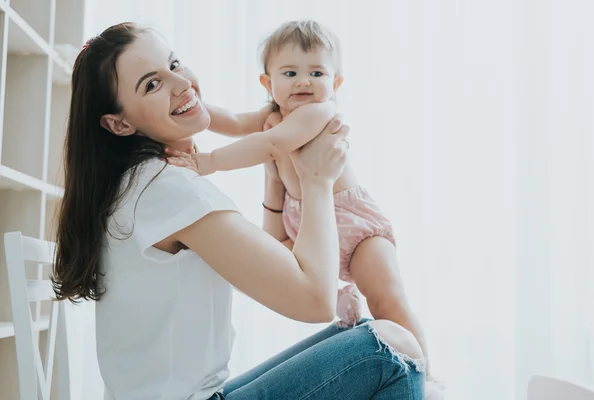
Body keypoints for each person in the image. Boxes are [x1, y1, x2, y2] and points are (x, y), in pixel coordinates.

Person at [52, 22, 425, 399]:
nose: (181, 84)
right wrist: (317, 181)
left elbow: (278, 263)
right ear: (119, 123)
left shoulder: (141, 184)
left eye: (175, 64)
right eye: (152, 84)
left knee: (357, 330)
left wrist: (274, 178)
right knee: (396, 347)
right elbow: (315, 300)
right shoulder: (167, 189)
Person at [168, 19, 433, 379]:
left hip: (356, 227)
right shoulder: (271, 114)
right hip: (305, 221)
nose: (304, 82)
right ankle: (343, 294)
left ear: (336, 83)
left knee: (388, 300)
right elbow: (230, 120)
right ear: (268, 82)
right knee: (287, 268)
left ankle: (425, 375)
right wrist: (191, 107)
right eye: (290, 73)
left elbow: (272, 144)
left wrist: (208, 162)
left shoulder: (317, 113)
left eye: (317, 73)